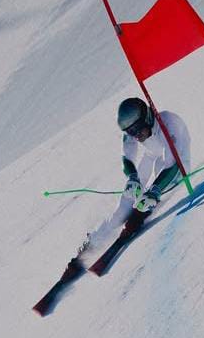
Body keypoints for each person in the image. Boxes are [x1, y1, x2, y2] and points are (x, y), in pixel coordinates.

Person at [75, 96, 189, 268]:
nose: (136, 135)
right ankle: (93, 243)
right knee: (126, 203)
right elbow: (127, 158)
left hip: (178, 164)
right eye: (130, 132)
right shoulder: (132, 133)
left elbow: (172, 164)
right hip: (152, 156)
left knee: (152, 195)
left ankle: (140, 214)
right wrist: (133, 178)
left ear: (147, 118)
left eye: (137, 128)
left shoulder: (168, 123)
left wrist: (154, 191)